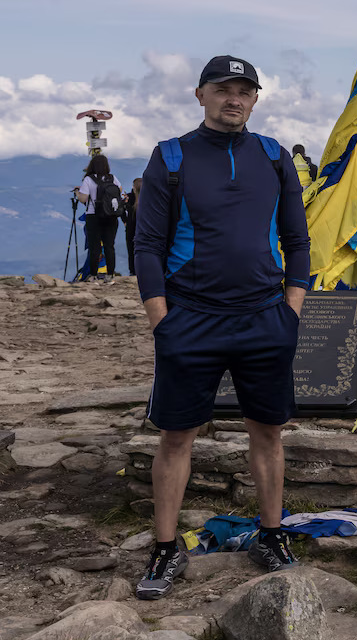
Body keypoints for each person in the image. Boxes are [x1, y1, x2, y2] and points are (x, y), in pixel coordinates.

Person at [131, 55, 311, 600]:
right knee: (177, 435)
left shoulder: (274, 155)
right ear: (200, 94)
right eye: (223, 89)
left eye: (244, 90)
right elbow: (146, 245)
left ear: (255, 99)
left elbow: (298, 241)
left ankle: (271, 535)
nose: (234, 98)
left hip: (263, 316)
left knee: (268, 431)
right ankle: (165, 550)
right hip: (191, 317)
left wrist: (291, 311)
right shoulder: (171, 157)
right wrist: (162, 321)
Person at [75, 154, 120, 282]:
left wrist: (78, 193)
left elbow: (84, 199)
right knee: (109, 246)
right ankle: (110, 275)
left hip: (93, 216)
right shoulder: (113, 178)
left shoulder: (88, 180)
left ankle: (93, 276)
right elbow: (120, 192)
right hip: (111, 216)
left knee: (95, 247)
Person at [121, 178, 142, 276]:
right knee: (139, 250)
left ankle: (132, 271)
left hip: (131, 227)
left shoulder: (129, 197)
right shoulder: (146, 198)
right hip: (142, 228)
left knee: (131, 250)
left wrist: (125, 220)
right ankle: (138, 270)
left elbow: (121, 208)